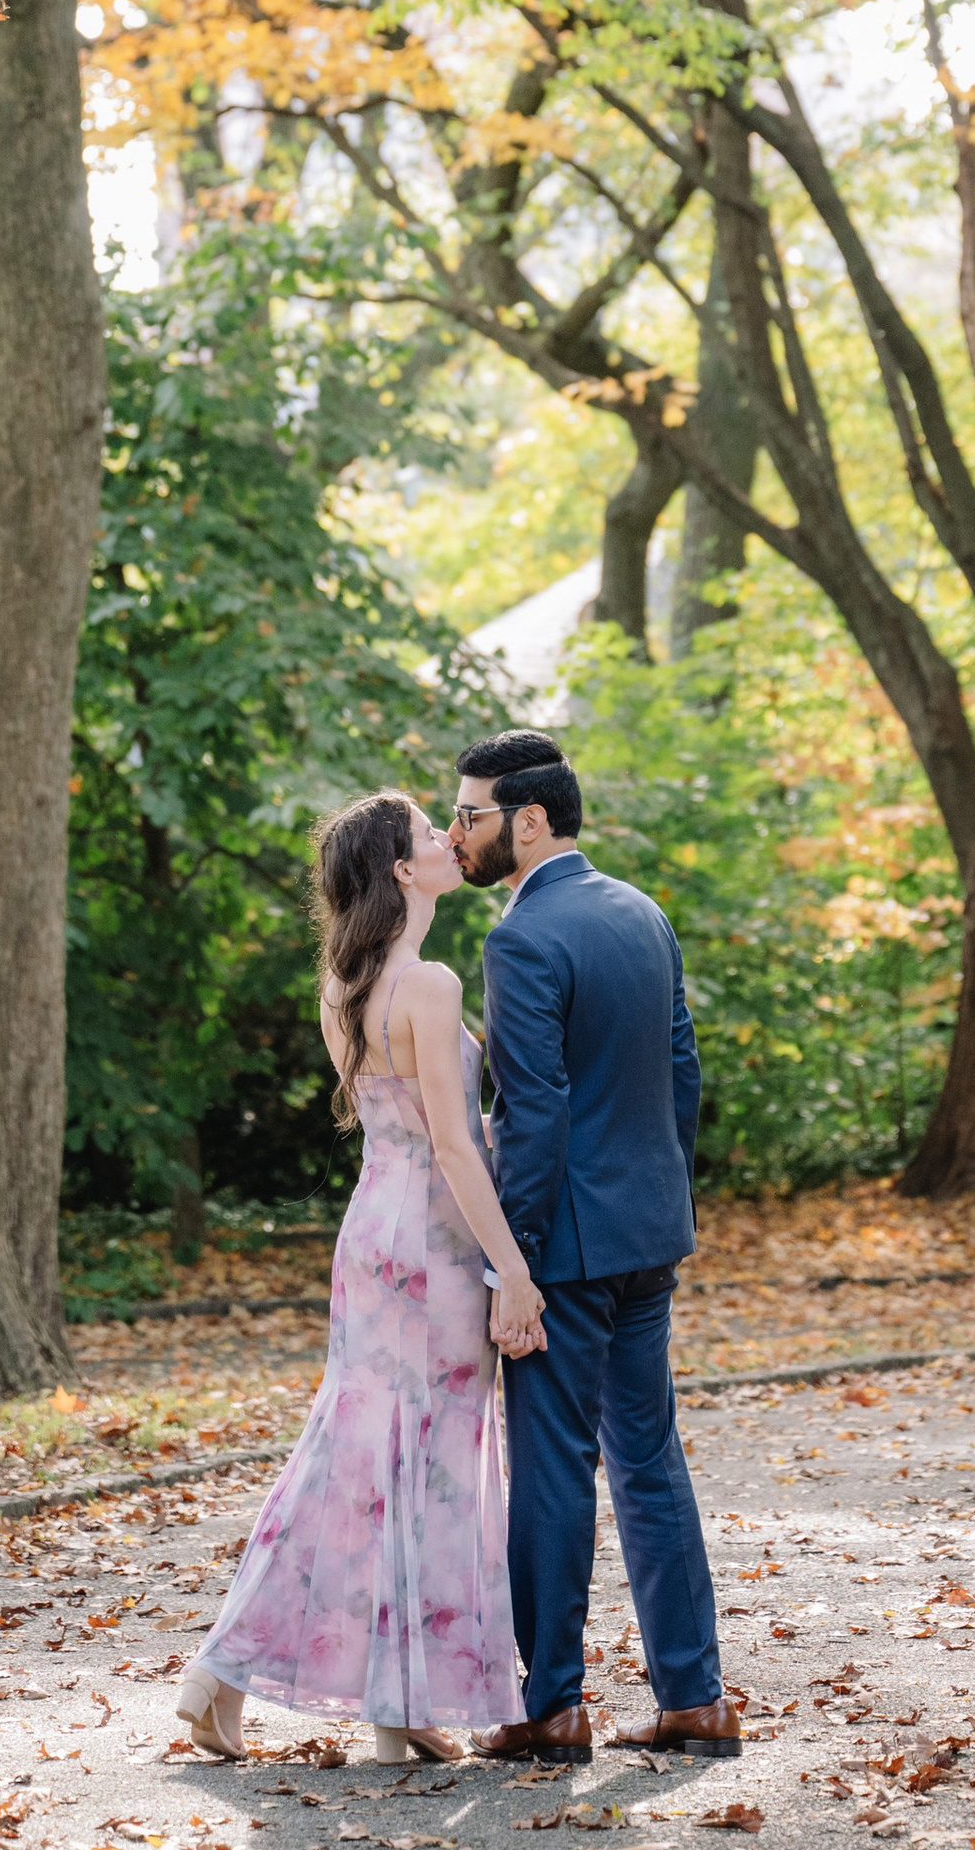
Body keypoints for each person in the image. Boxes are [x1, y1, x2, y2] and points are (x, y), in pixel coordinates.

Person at [175, 790, 538, 1764]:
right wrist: (515, 1272)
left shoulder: (342, 985)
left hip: (371, 1234)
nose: (447, 841)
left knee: (357, 1457)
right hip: (434, 1241)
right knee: (431, 1466)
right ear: (397, 869)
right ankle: (321, 1680)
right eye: (429, 834)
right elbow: (457, 1150)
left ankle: (359, 1695)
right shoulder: (426, 983)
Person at [452, 727, 737, 1766]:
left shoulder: (521, 938)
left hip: (565, 1246)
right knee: (650, 1461)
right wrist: (661, 1189)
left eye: (470, 815)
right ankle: (694, 1696)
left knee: (555, 1468)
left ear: (528, 821)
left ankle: (552, 1703)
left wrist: (511, 1264)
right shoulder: (640, 910)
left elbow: (533, 1111)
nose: (458, 833)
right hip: (647, 1232)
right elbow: (681, 1066)